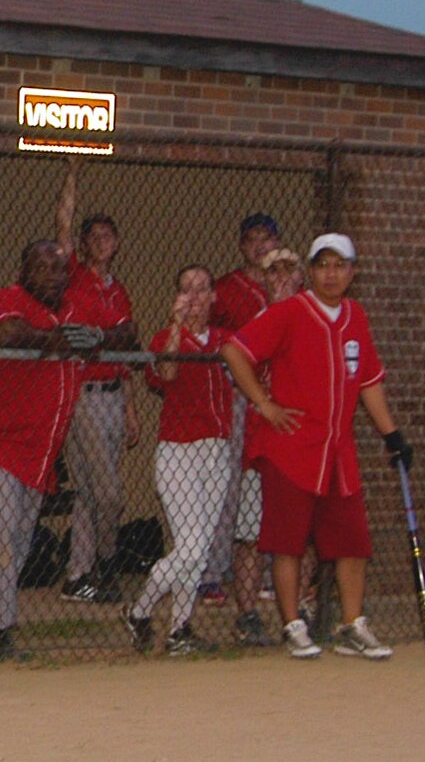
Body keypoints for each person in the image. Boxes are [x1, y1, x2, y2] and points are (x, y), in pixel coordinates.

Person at [221, 233, 409, 661]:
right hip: (291, 450)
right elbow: (234, 350)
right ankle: (292, 625)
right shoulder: (290, 312)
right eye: (323, 265)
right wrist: (264, 404)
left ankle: (352, 625)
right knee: (288, 543)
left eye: (340, 265)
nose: (331, 273)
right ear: (310, 271)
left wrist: (392, 434)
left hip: (338, 453)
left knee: (353, 543)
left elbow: (369, 381)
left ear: (352, 272)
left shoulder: (355, 316)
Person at [0, 239, 96, 660]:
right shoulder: (9, 299)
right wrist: (56, 340)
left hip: (39, 452)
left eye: (59, 270)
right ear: (24, 271)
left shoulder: (71, 309)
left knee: (17, 539)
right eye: (42, 268)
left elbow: (120, 332)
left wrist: (96, 336)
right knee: (0, 532)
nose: (52, 276)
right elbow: (6, 333)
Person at [124, 264, 234, 655]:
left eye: (202, 289)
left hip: (216, 451)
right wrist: (174, 324)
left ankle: (179, 629)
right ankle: (139, 610)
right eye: (186, 290)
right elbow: (166, 372)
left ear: (214, 296)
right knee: (189, 546)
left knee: (199, 549)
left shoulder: (225, 340)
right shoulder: (167, 337)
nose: (194, 297)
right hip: (178, 450)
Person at [53, 166, 139, 602]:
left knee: (90, 492)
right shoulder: (74, 276)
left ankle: (77, 575)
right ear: (86, 244)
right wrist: (70, 175)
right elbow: (62, 227)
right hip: (82, 393)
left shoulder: (115, 289)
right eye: (97, 236)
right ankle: (106, 567)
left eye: (111, 235)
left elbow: (128, 341)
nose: (104, 242)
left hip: (111, 393)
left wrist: (129, 406)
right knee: (108, 493)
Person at [207, 215, 286, 644]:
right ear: (242, 246)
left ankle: (276, 579)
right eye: (252, 239)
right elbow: (212, 332)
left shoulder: (291, 285)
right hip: (240, 395)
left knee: (277, 492)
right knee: (232, 487)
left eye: (267, 238)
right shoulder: (228, 286)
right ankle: (215, 573)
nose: (259, 246)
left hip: (283, 400)